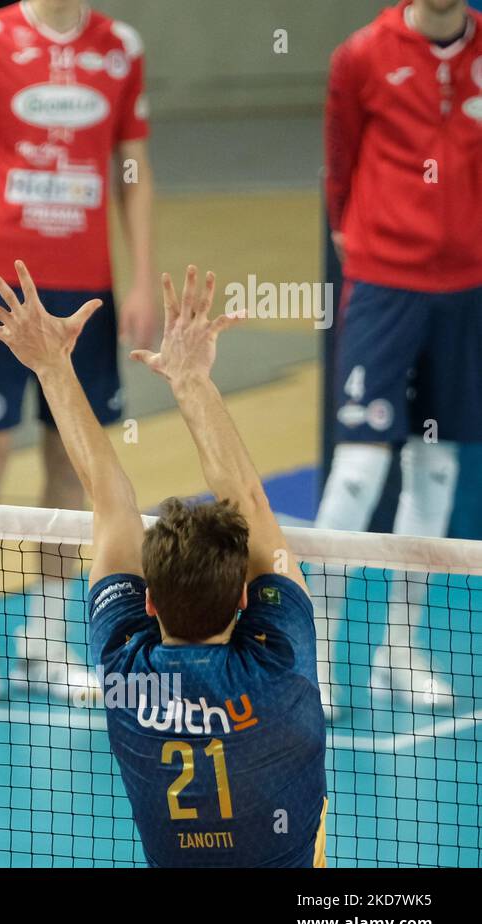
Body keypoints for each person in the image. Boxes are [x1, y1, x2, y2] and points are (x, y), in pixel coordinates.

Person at [0, 262, 326, 866]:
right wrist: (191, 381)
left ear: (150, 601)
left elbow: (108, 498)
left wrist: (51, 366)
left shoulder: (124, 669)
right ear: (244, 601)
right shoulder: (278, 660)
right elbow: (252, 503)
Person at [0, 0, 156, 708]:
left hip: (84, 289)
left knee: (72, 465)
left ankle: (47, 642)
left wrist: (143, 275)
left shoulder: (120, 48)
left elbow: (134, 168)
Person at [314, 0, 479, 713]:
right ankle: (313, 656)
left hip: (467, 289)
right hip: (385, 283)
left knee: (436, 464)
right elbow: (339, 168)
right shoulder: (360, 55)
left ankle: (398, 650)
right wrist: (375, 246)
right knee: (359, 469)